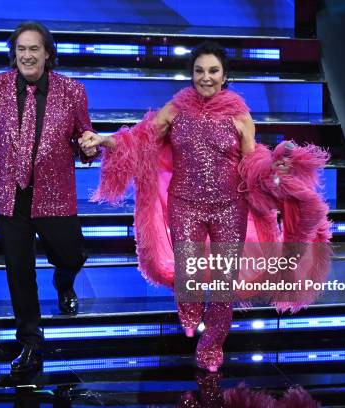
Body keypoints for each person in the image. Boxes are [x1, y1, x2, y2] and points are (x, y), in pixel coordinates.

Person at [80, 41, 331, 372]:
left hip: (230, 208)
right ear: (192, 74)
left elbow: (252, 159)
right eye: (199, 70)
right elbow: (141, 138)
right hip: (185, 204)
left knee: (224, 284)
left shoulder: (240, 116)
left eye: (213, 71)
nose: (206, 77)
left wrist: (273, 167)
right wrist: (107, 140)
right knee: (189, 273)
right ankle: (190, 307)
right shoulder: (177, 109)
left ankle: (211, 345)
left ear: (225, 75)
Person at [0, 21, 97, 374]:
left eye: (34, 48)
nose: (27, 55)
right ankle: (31, 344)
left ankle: (64, 282)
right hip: (9, 195)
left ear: (48, 53)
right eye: (22, 49)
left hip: (54, 194)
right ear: (13, 54)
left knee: (73, 254)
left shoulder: (72, 91)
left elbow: (85, 139)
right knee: (20, 272)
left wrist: (89, 147)